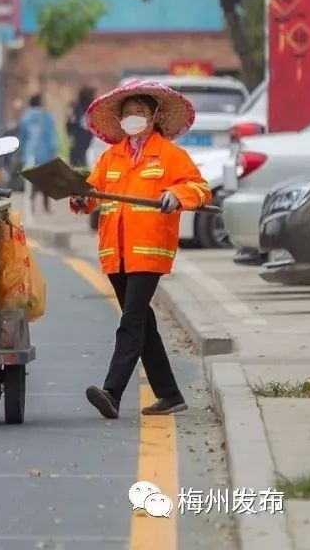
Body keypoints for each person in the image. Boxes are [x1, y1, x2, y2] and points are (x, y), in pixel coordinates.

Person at [69, 78, 212, 418]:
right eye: (127, 112)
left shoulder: (170, 155)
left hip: (149, 252)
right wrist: (77, 196)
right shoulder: (111, 158)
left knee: (132, 320)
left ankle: (112, 392)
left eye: (138, 111)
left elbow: (201, 189)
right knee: (142, 322)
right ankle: (170, 394)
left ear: (153, 115)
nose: (132, 116)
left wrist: (177, 195)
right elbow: (91, 196)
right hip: (115, 253)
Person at [18, 94, 58, 213]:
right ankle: (46, 207)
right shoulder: (47, 117)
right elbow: (51, 136)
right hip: (45, 155)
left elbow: (23, 138)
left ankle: (30, 206)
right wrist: (54, 151)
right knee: (46, 180)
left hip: (29, 154)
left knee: (31, 181)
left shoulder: (25, 118)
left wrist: (22, 153)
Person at [66, 85, 96, 168]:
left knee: (77, 162)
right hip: (85, 138)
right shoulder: (92, 108)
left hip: (78, 139)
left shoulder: (75, 107)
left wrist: (70, 135)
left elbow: (69, 124)